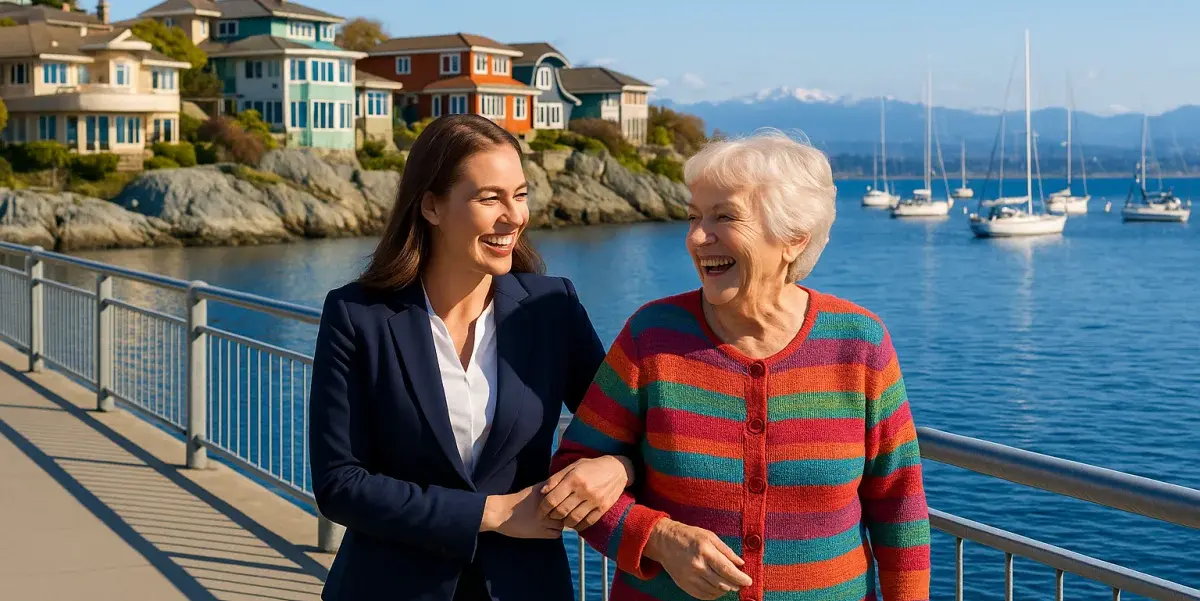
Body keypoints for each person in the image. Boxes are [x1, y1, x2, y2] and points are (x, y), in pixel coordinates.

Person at [548, 130, 932, 601]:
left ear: (792, 239)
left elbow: (900, 509)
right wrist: (658, 540)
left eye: (724, 217)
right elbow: (575, 473)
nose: (696, 237)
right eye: (693, 217)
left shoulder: (859, 345)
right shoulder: (652, 336)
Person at [309, 114, 635, 601]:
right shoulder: (357, 316)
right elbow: (340, 483)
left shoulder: (553, 308)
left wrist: (619, 467)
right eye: (490, 198)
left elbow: (627, 428)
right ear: (432, 207)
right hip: (388, 586)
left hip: (525, 587)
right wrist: (494, 513)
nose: (515, 216)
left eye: (520, 194)